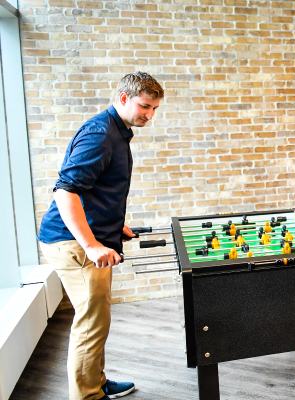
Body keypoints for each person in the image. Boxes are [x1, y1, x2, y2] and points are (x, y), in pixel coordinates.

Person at [37, 72, 164, 400]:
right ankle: (88, 395)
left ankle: (95, 380)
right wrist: (92, 244)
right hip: (73, 244)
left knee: (98, 318)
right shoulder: (100, 134)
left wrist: (111, 225)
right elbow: (66, 192)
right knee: (91, 323)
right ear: (124, 98)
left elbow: (94, 190)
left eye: (154, 109)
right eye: (145, 106)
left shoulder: (116, 132)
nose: (149, 115)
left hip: (88, 238)